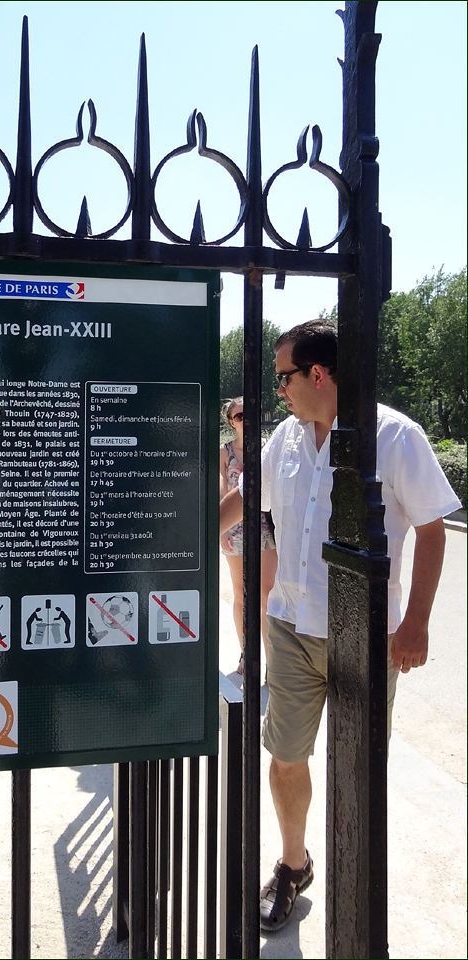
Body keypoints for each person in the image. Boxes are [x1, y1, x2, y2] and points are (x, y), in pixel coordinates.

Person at [219, 319, 462, 933]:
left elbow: (434, 529)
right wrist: (180, 538)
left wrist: (417, 624)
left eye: (284, 377)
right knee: (285, 754)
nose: (279, 390)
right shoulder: (284, 442)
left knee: (360, 764)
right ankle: (294, 863)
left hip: (368, 636)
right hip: (289, 628)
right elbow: (248, 500)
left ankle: (357, 873)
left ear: (317, 374)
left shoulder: (395, 436)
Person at [220, 397, 277, 675]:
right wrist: (220, 532)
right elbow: (221, 491)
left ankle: (270, 659)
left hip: (265, 529)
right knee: (242, 595)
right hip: (235, 531)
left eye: (249, 414)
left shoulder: (268, 448)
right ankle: (247, 654)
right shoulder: (224, 452)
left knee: (267, 594)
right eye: (240, 416)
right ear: (231, 422)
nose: (246, 420)